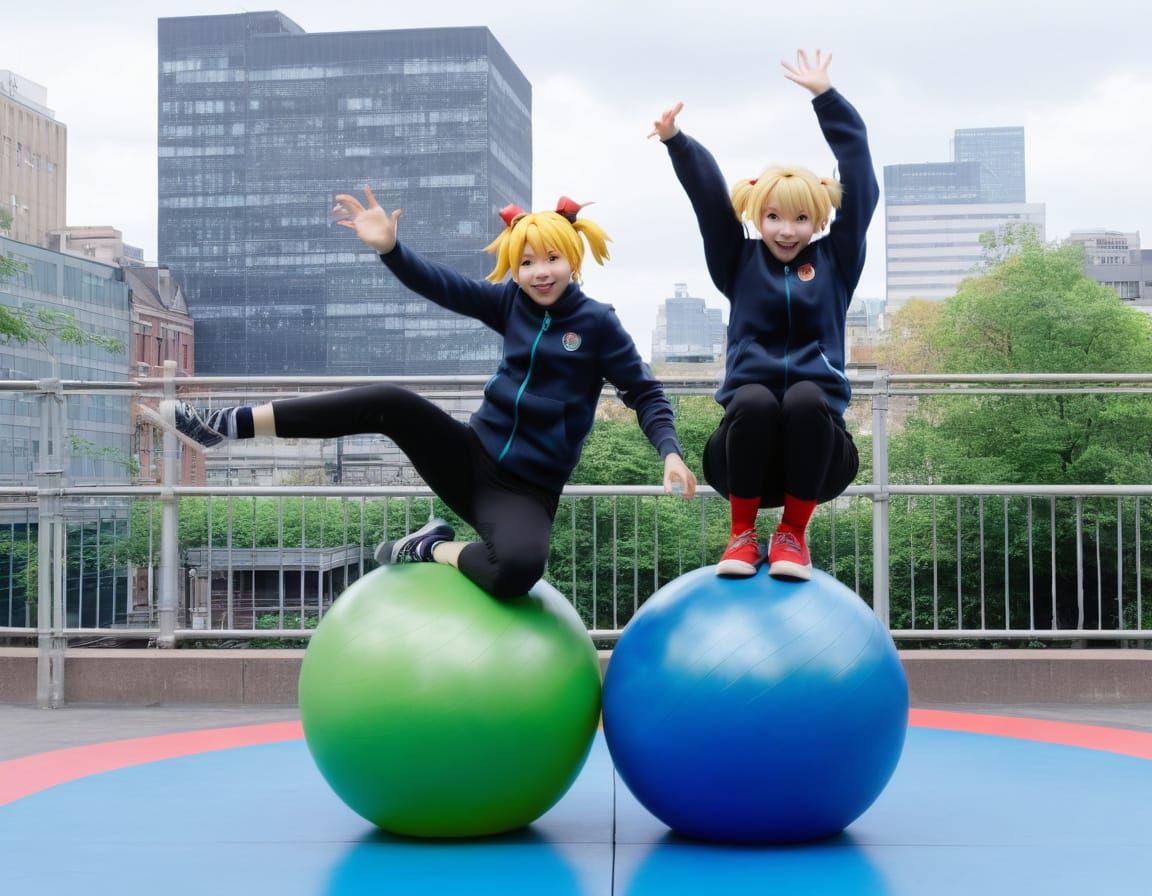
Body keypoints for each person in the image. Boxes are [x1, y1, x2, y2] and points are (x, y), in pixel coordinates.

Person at [151, 189, 697, 599]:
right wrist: (391, 249)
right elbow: (443, 285)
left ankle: (429, 547)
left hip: (525, 493)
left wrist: (670, 452)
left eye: (550, 259)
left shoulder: (598, 325)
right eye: (526, 262)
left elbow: (644, 392)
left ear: (572, 258)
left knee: (517, 572)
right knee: (390, 399)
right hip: (468, 455)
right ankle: (224, 425)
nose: (539, 272)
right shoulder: (510, 305)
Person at [650, 48, 877, 580]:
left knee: (804, 396)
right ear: (758, 215)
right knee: (752, 396)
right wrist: (677, 143)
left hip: (818, 452)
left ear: (818, 221)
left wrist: (827, 99)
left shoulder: (837, 263)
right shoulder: (738, 262)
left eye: (800, 219)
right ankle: (742, 535)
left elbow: (861, 179)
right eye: (774, 217)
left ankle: (793, 535)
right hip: (741, 454)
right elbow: (708, 199)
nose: (785, 230)